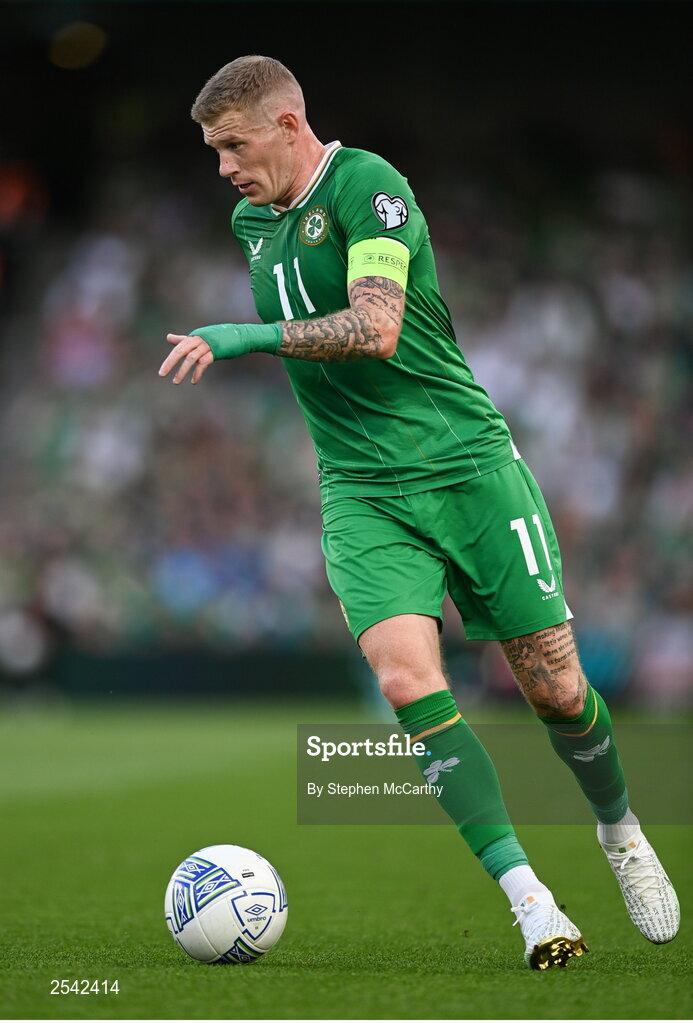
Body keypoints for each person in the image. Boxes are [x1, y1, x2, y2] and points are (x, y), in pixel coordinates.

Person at [159, 55, 680, 969]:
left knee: (555, 690)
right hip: (360, 491)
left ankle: (622, 834)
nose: (224, 169)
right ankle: (532, 903)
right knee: (405, 683)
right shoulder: (252, 220)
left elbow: (376, 328)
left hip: (468, 468)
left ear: (287, 125)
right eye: (213, 151)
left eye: (233, 145)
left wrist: (240, 336)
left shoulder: (371, 188)